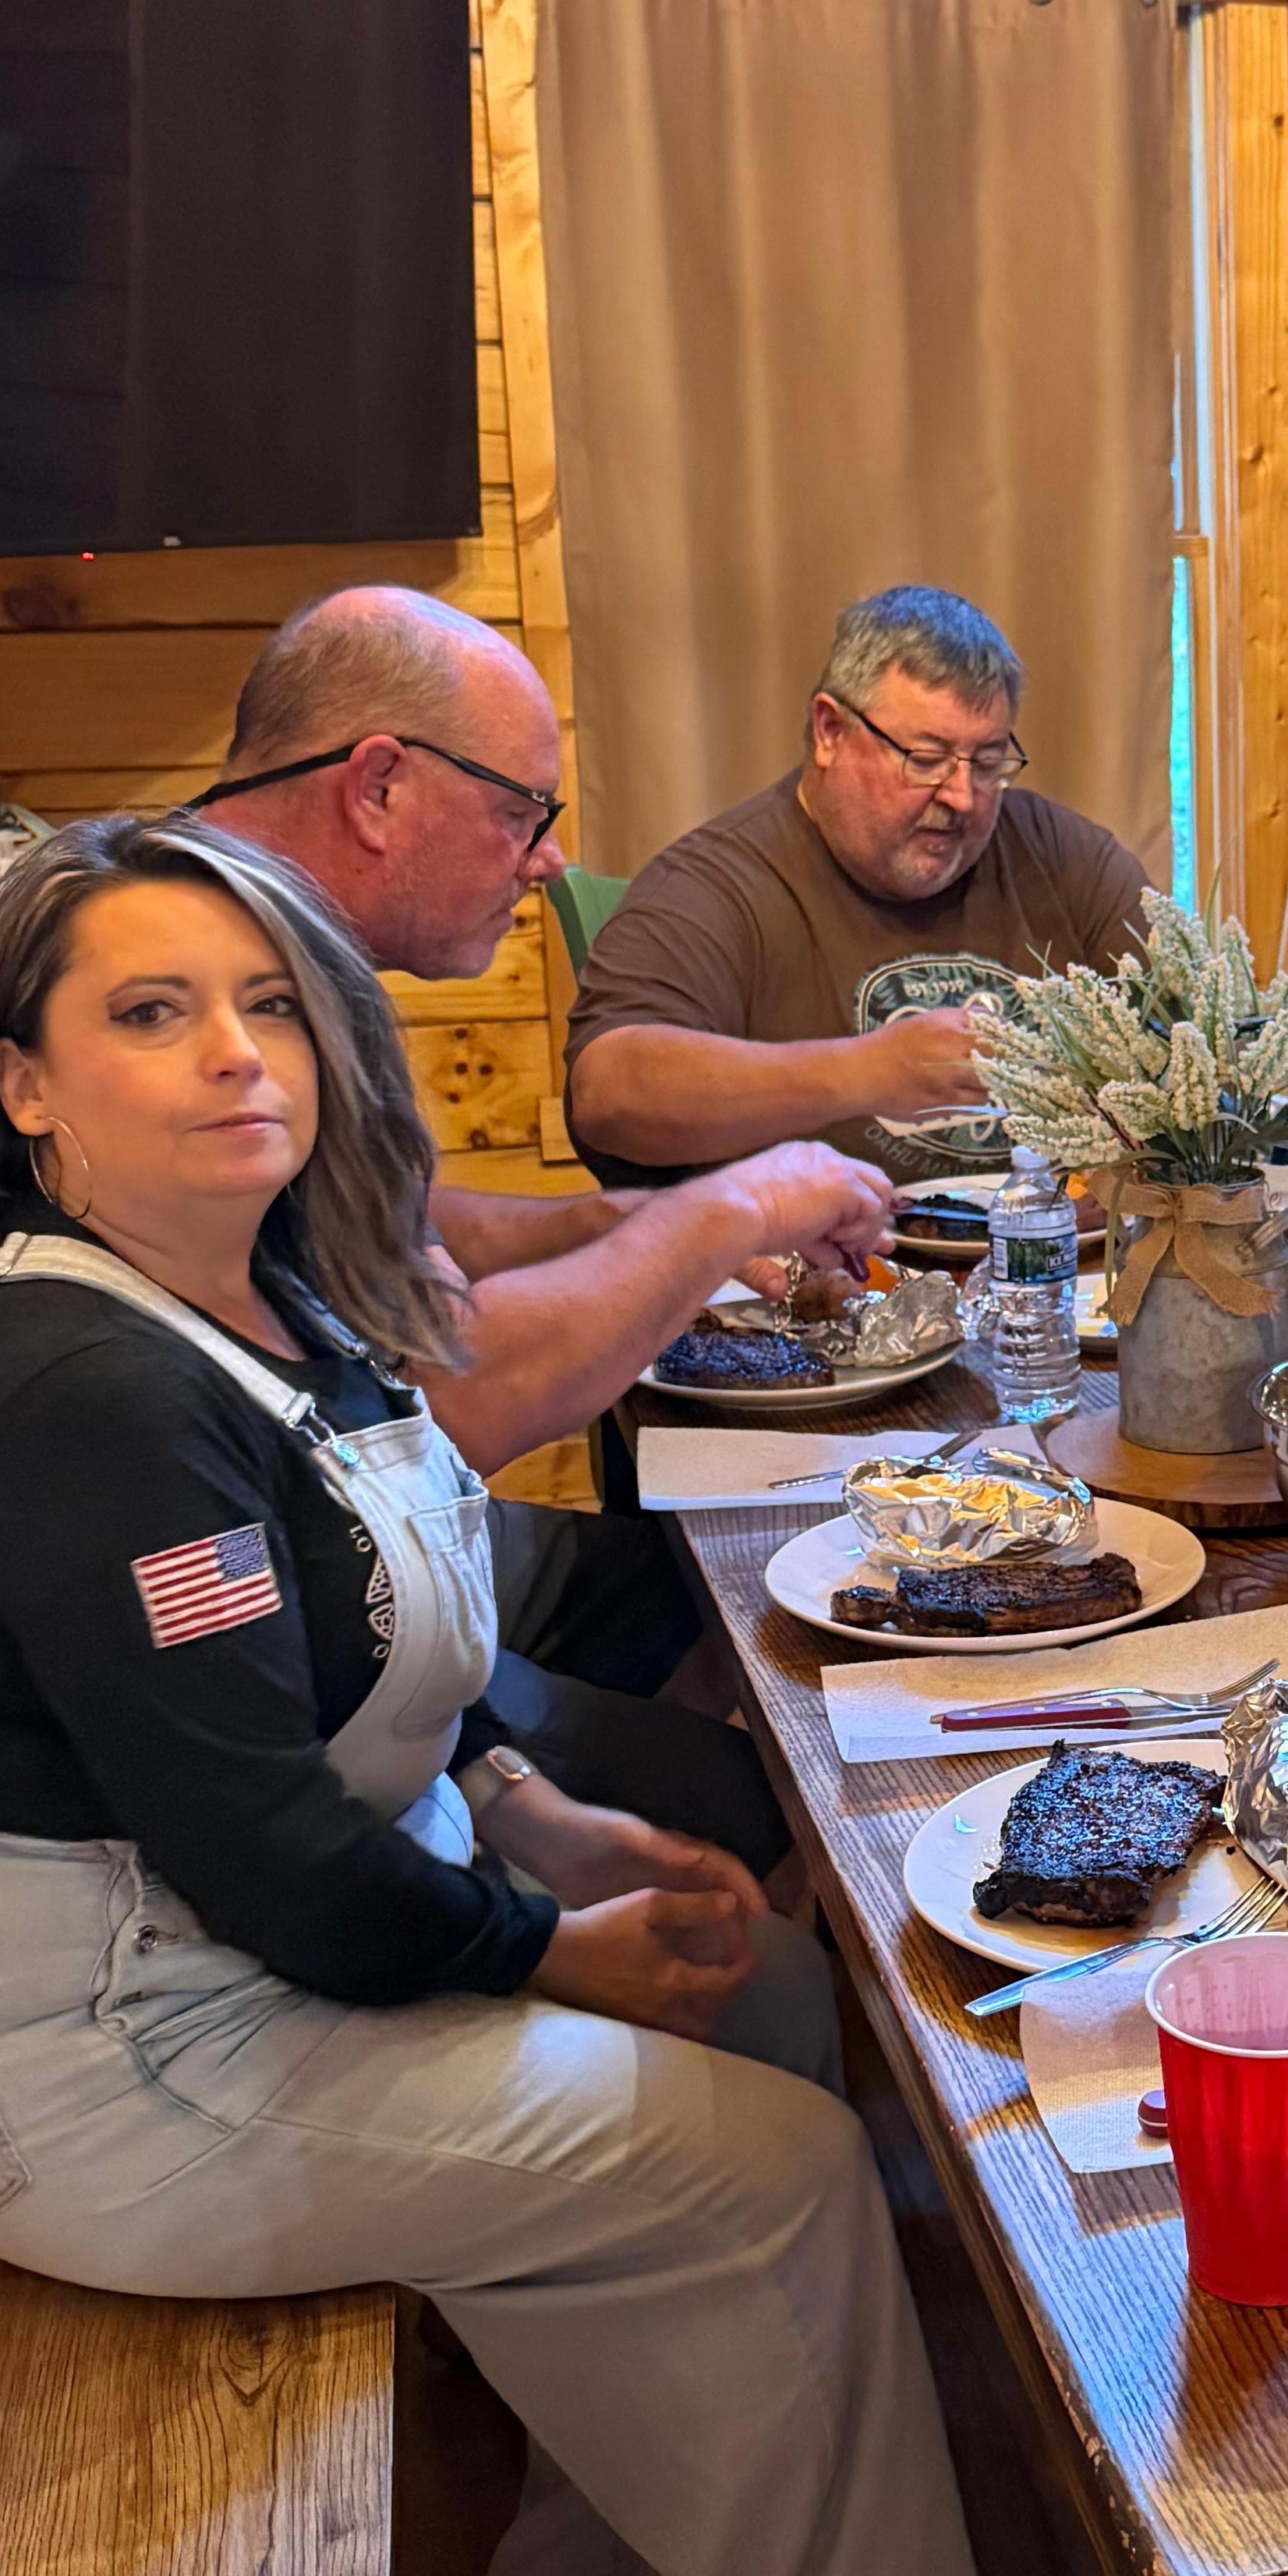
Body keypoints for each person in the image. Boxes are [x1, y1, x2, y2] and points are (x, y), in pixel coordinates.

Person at [0, 817, 1014, 2576]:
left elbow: (372, 1644)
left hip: (237, 1961)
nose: (237, 1056)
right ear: (23, 1085)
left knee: (758, 2001)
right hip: (110, 2061)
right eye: (149, 1012)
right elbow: (263, 1851)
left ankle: (613, 2548)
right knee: (766, 2168)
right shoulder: (71, 1392)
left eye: (269, 1004)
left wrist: (534, 1812)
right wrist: (538, 1940)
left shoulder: (254, 1296)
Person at [200, 587, 896, 1852]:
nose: (547, 861)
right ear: (377, 788)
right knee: (792, 1805)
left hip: (378, 1544)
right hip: (309, 1622)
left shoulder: (261, 932)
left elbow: (400, 1233)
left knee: (723, 1595)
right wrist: (736, 1201)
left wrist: (646, 1218)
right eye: (521, 811)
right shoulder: (221, 1006)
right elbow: (451, 1390)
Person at [564, 585, 1150, 1174]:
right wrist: (866, 1073)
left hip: (1059, 1253)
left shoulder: (1059, 856)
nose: (963, 797)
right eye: (925, 758)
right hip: (829, 1260)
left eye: (990, 761)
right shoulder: (715, 885)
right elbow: (607, 1096)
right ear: (829, 731)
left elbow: (1197, 1035)